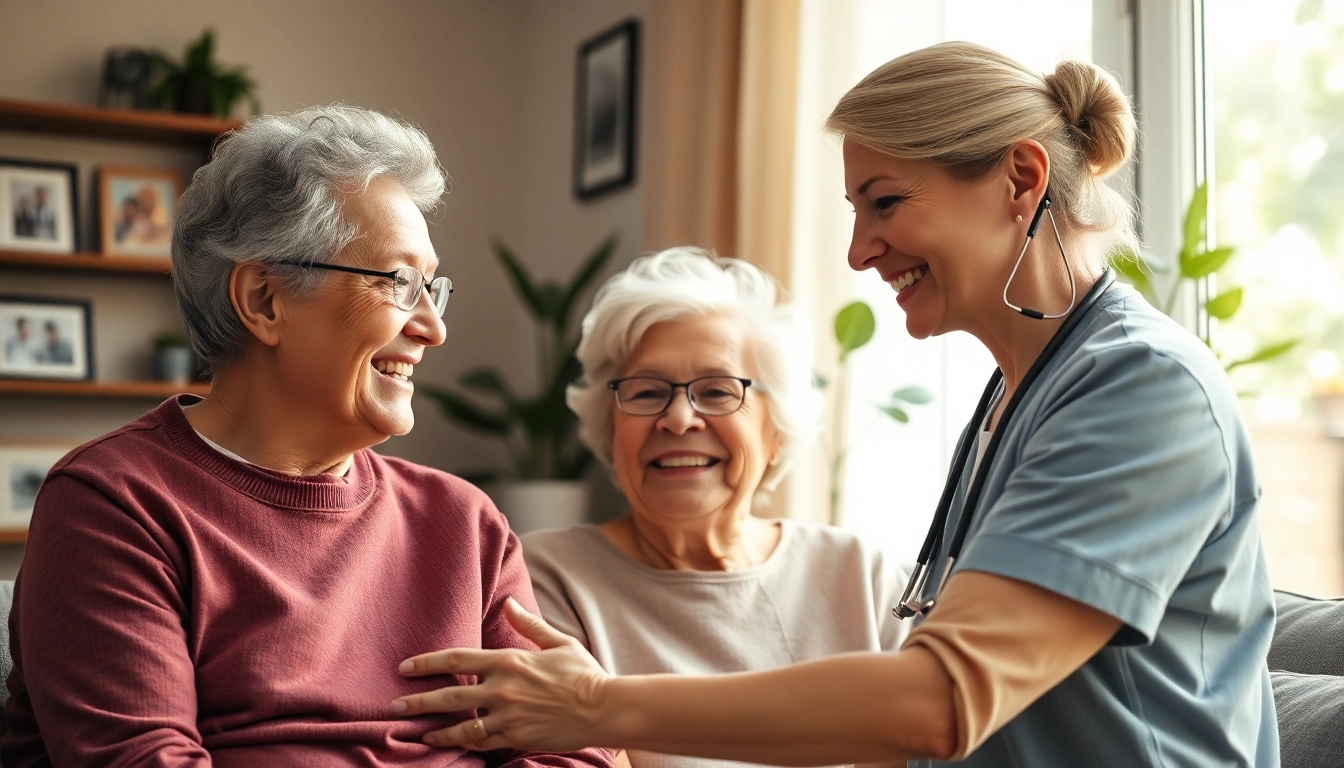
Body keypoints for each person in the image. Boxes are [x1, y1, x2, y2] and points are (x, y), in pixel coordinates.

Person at [389, 42, 1280, 766]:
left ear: (1020, 179)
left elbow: (942, 700)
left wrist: (595, 705)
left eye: (884, 202)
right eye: (856, 211)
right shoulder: (1017, 399)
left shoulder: (1140, 388)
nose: (859, 252)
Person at [2, 105, 611, 768]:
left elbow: (569, 751)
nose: (434, 328)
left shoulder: (464, 524)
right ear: (264, 300)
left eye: (433, 287)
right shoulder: (114, 505)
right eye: (400, 283)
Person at [522, 248, 907, 768]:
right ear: (610, 427)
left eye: (718, 390)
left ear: (777, 428)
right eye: (647, 391)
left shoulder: (861, 575)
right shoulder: (545, 576)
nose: (678, 418)